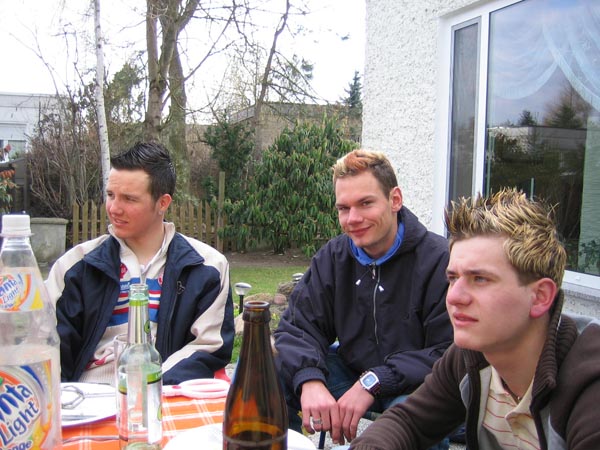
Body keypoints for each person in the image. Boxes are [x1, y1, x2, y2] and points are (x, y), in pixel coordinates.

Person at [350, 188, 600, 449]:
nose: (454, 297)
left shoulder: (589, 385)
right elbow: (407, 422)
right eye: (453, 278)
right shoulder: (470, 356)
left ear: (540, 297)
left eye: (480, 279)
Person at [273, 149, 453, 448]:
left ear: (395, 200)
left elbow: (448, 351)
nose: (353, 219)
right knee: (263, 369)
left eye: (366, 203)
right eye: (344, 208)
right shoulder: (334, 257)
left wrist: (375, 380)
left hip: (415, 387)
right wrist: (309, 379)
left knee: (410, 418)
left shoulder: (440, 261)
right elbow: (297, 327)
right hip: (351, 374)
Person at [46, 142, 235, 385]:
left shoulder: (207, 267)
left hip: (166, 393)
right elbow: (48, 346)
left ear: (163, 203)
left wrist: (149, 387)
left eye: (129, 199)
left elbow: (208, 347)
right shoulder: (75, 266)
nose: (114, 208)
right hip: (88, 395)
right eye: (110, 195)